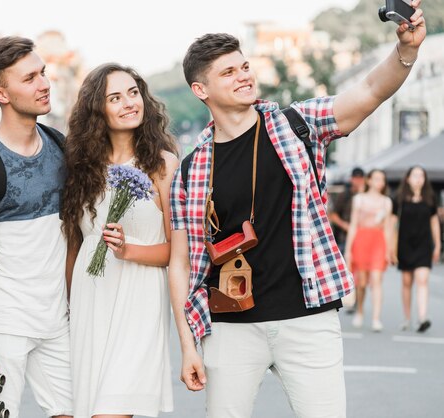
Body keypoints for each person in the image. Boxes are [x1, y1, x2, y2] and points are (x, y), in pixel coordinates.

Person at [168, 3, 426, 417]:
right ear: (201, 90)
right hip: (230, 327)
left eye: (245, 66)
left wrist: (405, 52)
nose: (244, 76)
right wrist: (187, 346)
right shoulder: (189, 171)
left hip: (308, 318)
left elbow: (369, 92)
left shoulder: (296, 124)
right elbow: (179, 264)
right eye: (229, 73)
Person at [0, 37, 72, 418]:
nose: (43, 84)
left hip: (58, 321)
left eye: (42, 73)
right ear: (0, 93)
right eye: (29, 79)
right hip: (5, 324)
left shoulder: (60, 146)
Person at [61, 63, 178, 418]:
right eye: (115, 97)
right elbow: (74, 247)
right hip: (90, 297)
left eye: (133, 92)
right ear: (98, 110)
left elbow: (179, 252)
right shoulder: (80, 168)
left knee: (110, 411)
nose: (130, 102)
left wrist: (130, 250)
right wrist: (66, 310)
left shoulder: (162, 165)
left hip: (138, 299)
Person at [344, 169, 394, 331]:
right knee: (362, 281)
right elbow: (353, 225)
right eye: (377, 178)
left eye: (382, 179)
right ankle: (359, 311)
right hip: (361, 239)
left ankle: (376, 318)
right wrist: (348, 249)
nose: (380, 182)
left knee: (377, 279)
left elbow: (388, 228)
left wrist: (388, 249)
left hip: (378, 241)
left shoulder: (387, 202)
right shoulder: (359, 199)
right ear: (369, 180)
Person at [393, 166, 441, 332]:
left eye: (422, 175)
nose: (419, 178)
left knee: (422, 280)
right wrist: (392, 248)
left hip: (424, 245)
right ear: (408, 178)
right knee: (407, 282)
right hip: (405, 244)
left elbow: (434, 222)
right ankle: (407, 318)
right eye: (415, 175)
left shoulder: (430, 198)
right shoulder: (399, 198)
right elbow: (393, 225)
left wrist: (438, 244)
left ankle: (422, 317)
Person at [329, 167, 366, 253]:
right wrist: (345, 226)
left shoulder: (366, 195)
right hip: (344, 237)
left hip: (362, 235)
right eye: (356, 178)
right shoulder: (344, 195)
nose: (358, 181)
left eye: (360, 178)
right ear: (351, 179)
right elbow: (333, 215)